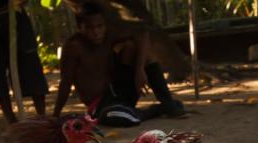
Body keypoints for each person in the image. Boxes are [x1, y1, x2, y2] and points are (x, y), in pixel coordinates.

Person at [53, 0, 185, 127]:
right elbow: (66, 82)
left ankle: (169, 105)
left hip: (120, 92)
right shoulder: (73, 47)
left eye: (99, 27)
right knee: (115, 116)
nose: (96, 32)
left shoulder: (109, 35)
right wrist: (55, 115)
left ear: (105, 25)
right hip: (101, 104)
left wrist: (139, 70)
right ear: (79, 27)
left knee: (135, 48)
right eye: (89, 28)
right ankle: (155, 110)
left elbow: (142, 33)